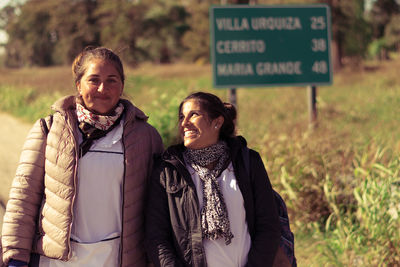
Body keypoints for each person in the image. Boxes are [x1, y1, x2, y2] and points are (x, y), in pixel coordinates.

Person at [1, 47, 163, 267]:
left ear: (122, 86)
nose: (102, 88)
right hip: (56, 261)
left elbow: (158, 206)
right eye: (93, 80)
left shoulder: (146, 137)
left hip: (116, 259)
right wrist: (15, 254)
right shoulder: (49, 130)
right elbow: (23, 196)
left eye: (112, 80)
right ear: (79, 85)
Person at [145, 92, 281, 267]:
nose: (184, 123)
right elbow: (156, 237)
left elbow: (268, 226)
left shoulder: (247, 161)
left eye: (194, 115)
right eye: (181, 117)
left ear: (217, 122)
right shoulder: (168, 170)